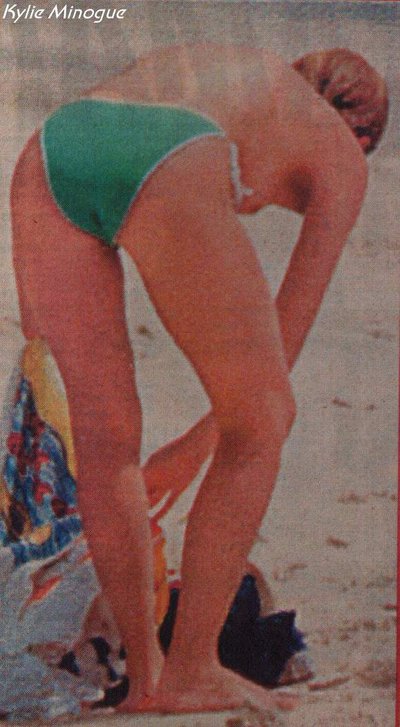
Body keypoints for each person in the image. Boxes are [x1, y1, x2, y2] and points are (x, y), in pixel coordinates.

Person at [10, 44, 388, 715]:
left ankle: (147, 678)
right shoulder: (341, 152)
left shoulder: (237, 72)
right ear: (360, 129)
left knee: (103, 440)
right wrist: (194, 450)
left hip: (52, 149)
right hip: (168, 149)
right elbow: (287, 333)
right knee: (265, 421)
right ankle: (189, 670)